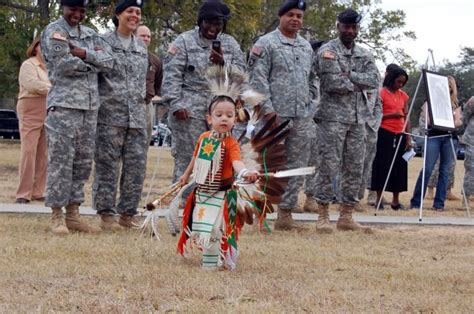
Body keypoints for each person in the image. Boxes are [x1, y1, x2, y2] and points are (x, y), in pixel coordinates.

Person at [41, 0, 113, 235]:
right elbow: (63, 64)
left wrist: (83, 53)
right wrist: (94, 62)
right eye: (73, 9)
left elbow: (110, 61)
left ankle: (73, 214)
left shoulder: (91, 34)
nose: (77, 14)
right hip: (63, 106)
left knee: (82, 163)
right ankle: (57, 215)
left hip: (90, 108)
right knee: (61, 161)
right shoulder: (55, 31)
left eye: (82, 11)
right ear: (64, 7)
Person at [177, 66, 258, 270]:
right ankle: (211, 259)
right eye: (219, 114)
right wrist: (185, 176)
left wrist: (245, 173)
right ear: (209, 118)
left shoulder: (231, 143)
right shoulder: (204, 138)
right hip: (203, 191)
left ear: (235, 119)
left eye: (229, 115)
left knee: (219, 228)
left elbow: (236, 163)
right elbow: (195, 158)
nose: (224, 118)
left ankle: (221, 259)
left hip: (223, 193)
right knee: (202, 226)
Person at [248, 0, 318, 230]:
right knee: (269, 166)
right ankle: (261, 214)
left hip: (301, 117)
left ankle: (285, 215)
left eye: (299, 15)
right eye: (291, 15)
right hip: (273, 117)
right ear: (281, 16)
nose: (296, 19)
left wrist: (311, 104)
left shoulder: (306, 47)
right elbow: (257, 81)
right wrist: (268, 112)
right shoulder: (265, 44)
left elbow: (312, 79)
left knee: (296, 166)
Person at [162, 0, 246, 186]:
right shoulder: (184, 41)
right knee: (189, 161)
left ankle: (210, 208)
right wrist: (176, 105)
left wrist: (224, 63)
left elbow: (242, 75)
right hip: (189, 113)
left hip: (221, 111)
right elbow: (171, 77)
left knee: (220, 160)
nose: (213, 28)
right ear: (201, 21)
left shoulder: (230, 43)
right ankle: (185, 207)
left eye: (218, 24)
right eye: (209, 22)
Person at [312, 8, 380, 233]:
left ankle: (346, 216)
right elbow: (331, 84)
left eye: (354, 27)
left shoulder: (364, 54)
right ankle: (322, 214)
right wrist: (356, 81)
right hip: (332, 119)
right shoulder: (328, 51)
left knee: (354, 167)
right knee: (328, 165)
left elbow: (374, 80)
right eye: (346, 26)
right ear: (338, 26)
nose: (350, 31)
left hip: (358, 119)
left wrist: (349, 76)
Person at [93, 0, 148, 230]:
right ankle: (106, 215)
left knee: (136, 167)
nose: (134, 16)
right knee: (108, 167)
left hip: (136, 117)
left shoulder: (141, 47)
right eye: (129, 12)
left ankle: (127, 213)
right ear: (118, 15)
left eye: (137, 12)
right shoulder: (103, 42)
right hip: (110, 116)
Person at [410, 76, 462, 211]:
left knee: (445, 171)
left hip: (450, 138)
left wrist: (451, 122)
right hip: (434, 136)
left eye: (450, 86)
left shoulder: (455, 103)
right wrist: (438, 120)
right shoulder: (430, 102)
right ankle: (416, 202)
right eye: (445, 85)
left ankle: (439, 204)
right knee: (427, 169)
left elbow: (458, 122)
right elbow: (427, 120)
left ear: (453, 88)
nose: (447, 88)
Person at [15, 37, 51, 204]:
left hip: (48, 109)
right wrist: (55, 89)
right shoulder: (28, 65)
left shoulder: (51, 68)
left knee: (43, 153)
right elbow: (32, 85)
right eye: (43, 46)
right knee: (29, 151)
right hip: (30, 108)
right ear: (36, 47)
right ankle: (23, 193)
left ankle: (37, 191)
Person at [371, 66, 411, 210]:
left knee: (399, 167)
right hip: (384, 132)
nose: (400, 85)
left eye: (403, 83)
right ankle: (378, 199)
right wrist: (391, 115)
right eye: (398, 82)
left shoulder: (403, 96)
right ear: (391, 79)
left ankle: (395, 200)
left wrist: (408, 137)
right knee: (382, 165)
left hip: (400, 134)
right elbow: (374, 116)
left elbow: (407, 116)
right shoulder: (381, 94)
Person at [136, 24, 163, 144]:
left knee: (145, 141)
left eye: (148, 36)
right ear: (134, 36)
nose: (146, 38)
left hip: (147, 105)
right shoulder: (126, 55)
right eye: (142, 36)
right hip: (127, 105)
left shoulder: (155, 60)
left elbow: (158, 83)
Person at [462, 96, 474, 205]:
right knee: (471, 168)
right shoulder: (473, 100)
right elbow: (464, 117)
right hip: (472, 139)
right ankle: (466, 198)